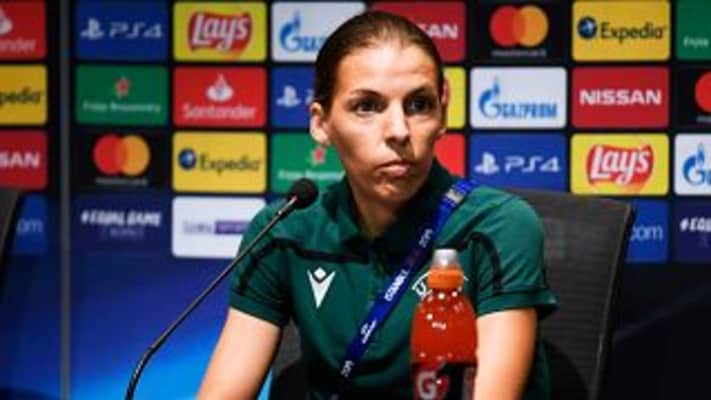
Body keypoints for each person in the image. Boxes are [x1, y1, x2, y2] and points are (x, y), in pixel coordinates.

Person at [198, 10, 557, 400]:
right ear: (321, 123)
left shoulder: (498, 227)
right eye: (367, 106)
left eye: (419, 104)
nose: (399, 130)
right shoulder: (283, 231)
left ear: (443, 112)